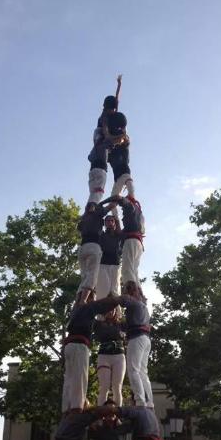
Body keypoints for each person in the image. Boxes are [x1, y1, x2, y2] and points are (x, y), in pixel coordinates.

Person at [62, 295, 119, 412]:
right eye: (93, 299)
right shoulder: (88, 307)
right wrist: (117, 298)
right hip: (79, 346)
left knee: (69, 379)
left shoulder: (76, 311)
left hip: (70, 346)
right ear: (89, 299)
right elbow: (104, 305)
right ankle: (76, 409)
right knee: (80, 379)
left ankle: (66, 409)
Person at [88, 75, 123, 204]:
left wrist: (119, 85)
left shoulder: (112, 113)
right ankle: (92, 205)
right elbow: (106, 135)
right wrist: (119, 138)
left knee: (105, 149)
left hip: (101, 139)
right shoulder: (104, 117)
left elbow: (117, 101)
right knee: (103, 149)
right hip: (99, 135)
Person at [118, 282, 152, 408]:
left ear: (131, 292)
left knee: (133, 370)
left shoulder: (133, 302)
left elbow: (123, 300)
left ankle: (140, 401)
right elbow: (129, 325)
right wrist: (120, 325)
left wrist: (115, 295)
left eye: (126, 290)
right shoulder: (143, 306)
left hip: (137, 338)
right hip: (145, 339)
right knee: (143, 371)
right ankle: (149, 402)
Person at [101, 196, 144, 289]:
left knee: (127, 269)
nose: (122, 208)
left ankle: (131, 291)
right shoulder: (138, 215)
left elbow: (118, 197)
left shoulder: (130, 208)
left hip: (131, 242)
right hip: (137, 243)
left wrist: (104, 203)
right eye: (107, 221)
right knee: (134, 270)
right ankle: (138, 292)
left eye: (111, 221)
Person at [77, 202, 114, 306]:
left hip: (82, 248)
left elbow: (79, 228)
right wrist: (102, 203)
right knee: (92, 274)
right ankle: (83, 300)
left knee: (84, 276)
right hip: (93, 246)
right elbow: (112, 205)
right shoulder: (97, 213)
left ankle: (78, 298)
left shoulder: (84, 218)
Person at [94, 308, 126, 406]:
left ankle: (117, 416)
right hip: (104, 356)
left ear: (116, 311)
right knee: (104, 387)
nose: (110, 311)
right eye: (108, 309)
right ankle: (100, 417)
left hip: (119, 357)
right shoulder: (97, 324)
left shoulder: (121, 324)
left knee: (117, 387)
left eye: (113, 310)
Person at [96, 215, 122, 300]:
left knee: (115, 290)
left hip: (115, 264)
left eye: (112, 221)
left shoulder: (119, 235)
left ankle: (117, 312)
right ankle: (101, 312)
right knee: (102, 290)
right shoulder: (101, 234)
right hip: (103, 264)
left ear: (115, 223)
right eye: (107, 221)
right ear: (105, 223)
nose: (110, 222)